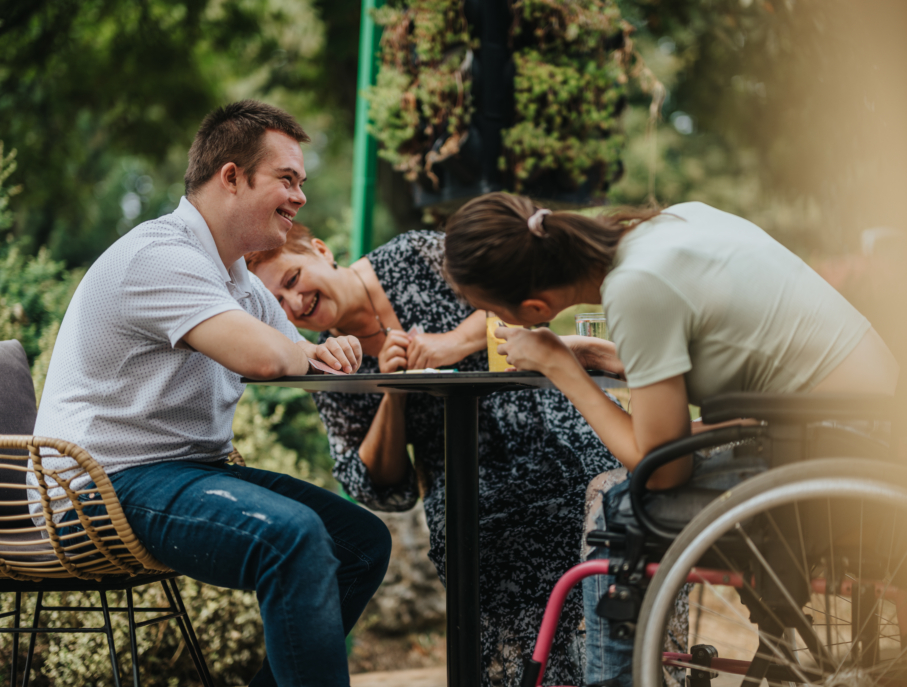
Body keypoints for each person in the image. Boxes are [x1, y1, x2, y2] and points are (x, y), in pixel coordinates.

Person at [441, 192, 899, 686]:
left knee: (619, 505)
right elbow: (702, 350)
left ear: (536, 308)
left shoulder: (636, 286)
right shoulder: (672, 223)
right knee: (615, 488)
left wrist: (561, 368)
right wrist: (594, 352)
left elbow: (661, 469)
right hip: (867, 424)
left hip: (834, 447)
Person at [30, 100, 391, 687]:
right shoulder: (159, 256)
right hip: (96, 485)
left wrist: (328, 350)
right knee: (292, 538)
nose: (300, 197)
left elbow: (300, 354)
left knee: (360, 541)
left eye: (301, 182)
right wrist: (302, 351)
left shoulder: (236, 280)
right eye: (287, 179)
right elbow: (268, 357)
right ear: (231, 176)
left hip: (181, 472)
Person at [246, 225, 624, 687]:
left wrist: (452, 343)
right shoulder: (325, 359)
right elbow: (375, 484)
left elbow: (514, 289)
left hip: (557, 439)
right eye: (277, 304)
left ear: (321, 251)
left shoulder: (414, 252)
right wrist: (395, 394)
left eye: (292, 279)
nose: (295, 302)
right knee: (481, 551)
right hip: (472, 494)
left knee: (600, 515)